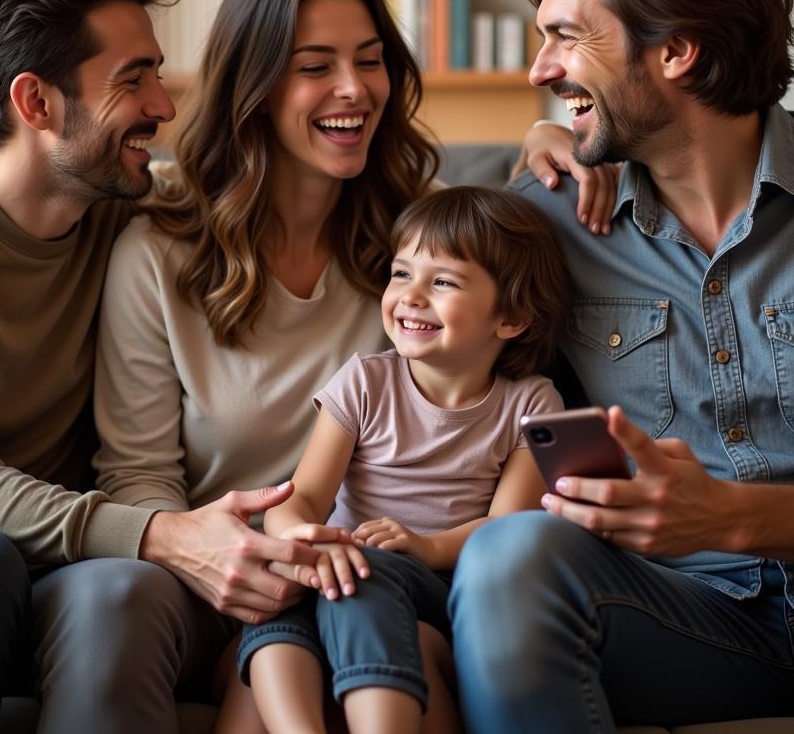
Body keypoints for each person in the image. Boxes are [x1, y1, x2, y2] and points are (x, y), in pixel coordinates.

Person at [92, 0, 616, 729]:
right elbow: (138, 476)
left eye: (370, 61)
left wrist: (553, 134)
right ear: (254, 87)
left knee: (379, 638)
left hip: (388, 574)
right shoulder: (156, 251)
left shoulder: (410, 229)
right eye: (316, 66)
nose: (355, 89)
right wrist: (226, 565)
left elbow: (493, 259)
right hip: (227, 580)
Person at [449, 0, 794, 732]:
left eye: (566, 38)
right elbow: (435, 351)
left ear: (677, 51)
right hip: (679, 616)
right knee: (508, 556)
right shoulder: (547, 219)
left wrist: (731, 515)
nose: (540, 72)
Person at [0, 0, 330, 734]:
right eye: (134, 79)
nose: (164, 105)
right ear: (36, 103)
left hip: (39, 555)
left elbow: (296, 185)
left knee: (81, 590)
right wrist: (162, 534)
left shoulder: (133, 205)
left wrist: (541, 165)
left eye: (157, 71)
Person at [235, 185, 565, 734]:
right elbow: (306, 497)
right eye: (401, 273)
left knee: (363, 577)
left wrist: (428, 545)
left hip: (429, 582)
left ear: (510, 317)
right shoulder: (365, 380)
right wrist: (303, 544)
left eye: (443, 282)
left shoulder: (532, 402)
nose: (411, 296)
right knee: (280, 588)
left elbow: (509, 531)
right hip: (340, 564)